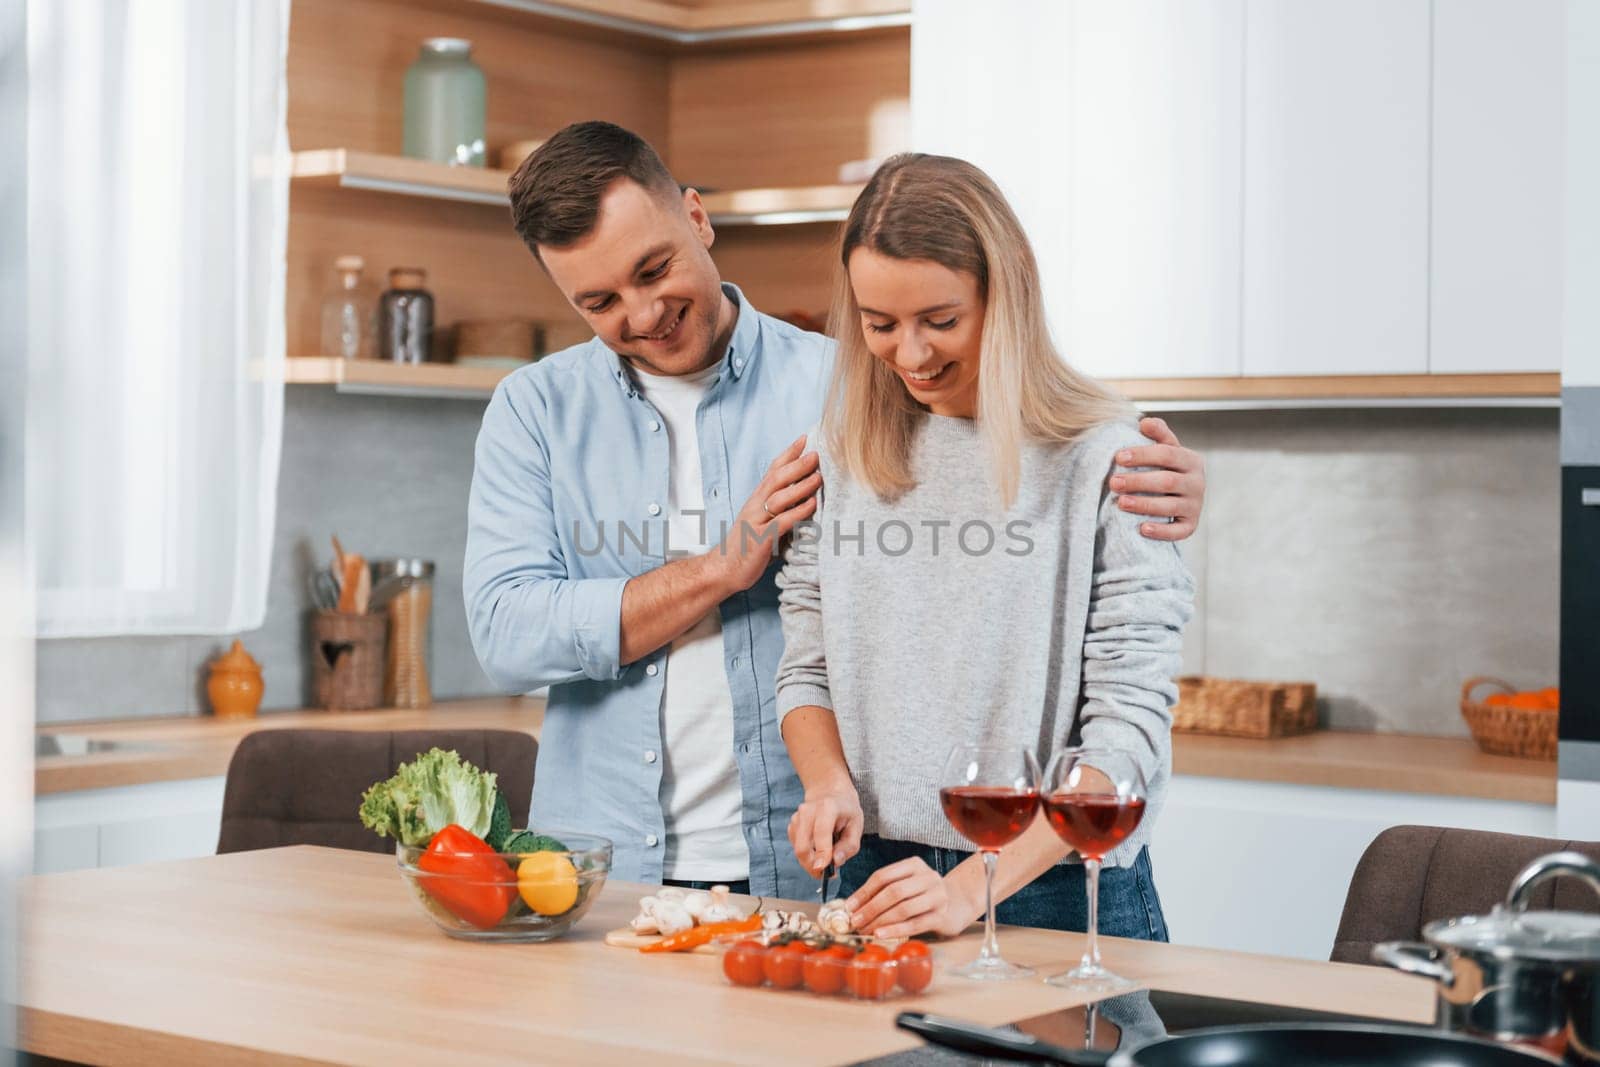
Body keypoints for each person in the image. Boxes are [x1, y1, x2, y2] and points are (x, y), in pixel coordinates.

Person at [464, 121, 1206, 899]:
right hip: (609, 860)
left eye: (654, 270)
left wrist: (1157, 480)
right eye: (599, 300)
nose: (643, 312)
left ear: (697, 217)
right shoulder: (535, 410)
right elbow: (507, 633)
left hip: (813, 865)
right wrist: (721, 568)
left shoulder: (852, 385)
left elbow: (1014, 433)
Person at [776, 153, 1194, 941]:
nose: (910, 354)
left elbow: (1129, 730)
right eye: (879, 324)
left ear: (1005, 296)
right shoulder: (840, 455)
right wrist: (828, 783)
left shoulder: (1108, 458)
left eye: (940, 321)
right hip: (875, 881)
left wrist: (975, 886)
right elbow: (807, 667)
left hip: (1059, 890)